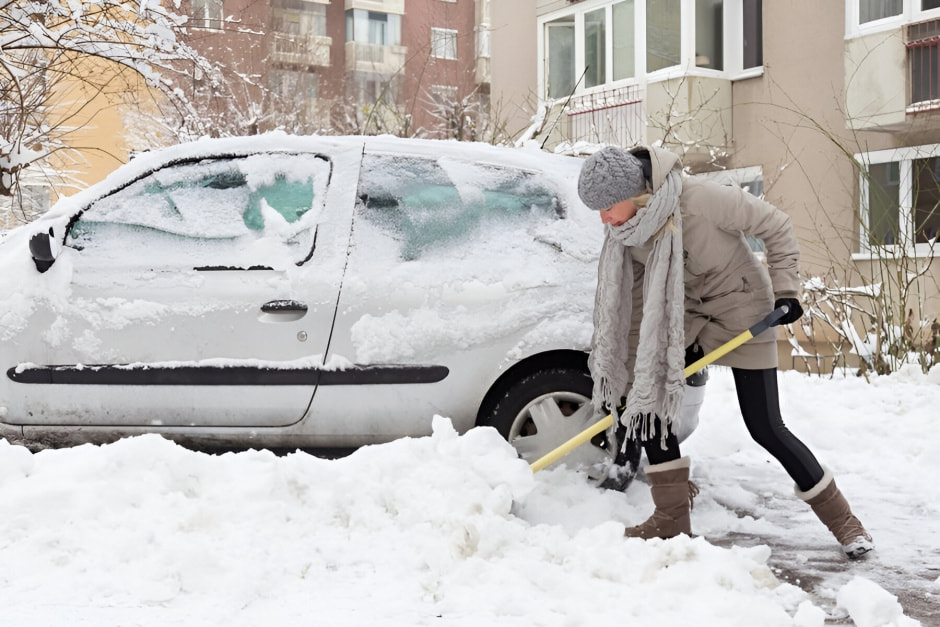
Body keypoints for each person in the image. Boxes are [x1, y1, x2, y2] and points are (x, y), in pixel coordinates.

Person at [577, 145, 874, 559]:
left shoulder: (701, 199)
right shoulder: (629, 232)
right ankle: (671, 518)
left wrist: (786, 290)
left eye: (607, 207)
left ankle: (845, 522)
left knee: (765, 426)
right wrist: (632, 373)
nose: (604, 219)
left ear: (633, 192)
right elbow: (640, 304)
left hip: (742, 310)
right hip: (683, 316)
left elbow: (776, 225)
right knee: (651, 399)